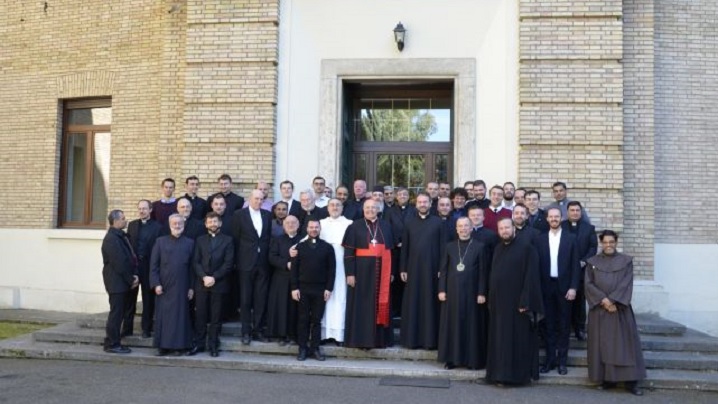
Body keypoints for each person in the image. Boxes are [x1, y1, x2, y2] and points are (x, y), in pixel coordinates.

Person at [585, 230, 646, 396]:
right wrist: (603, 300)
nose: (608, 245)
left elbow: (626, 283)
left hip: (620, 310)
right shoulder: (592, 262)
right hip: (600, 311)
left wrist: (613, 301)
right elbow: (588, 284)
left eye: (611, 242)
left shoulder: (625, 261)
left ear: (616, 242)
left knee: (625, 347)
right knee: (602, 346)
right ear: (601, 243)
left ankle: (631, 382)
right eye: (605, 242)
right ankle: (607, 380)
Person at [485, 218, 544, 386]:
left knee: (516, 341)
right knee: (500, 340)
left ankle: (516, 377)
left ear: (514, 229)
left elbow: (531, 277)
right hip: (499, 304)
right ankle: (499, 374)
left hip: (518, 305)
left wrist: (525, 301)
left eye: (507, 227)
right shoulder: (498, 248)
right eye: (501, 228)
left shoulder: (526, 248)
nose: (504, 231)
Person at [342, 199, 395, 348]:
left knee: (380, 304)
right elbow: (348, 253)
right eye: (367, 207)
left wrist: (391, 272)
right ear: (363, 209)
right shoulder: (354, 226)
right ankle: (361, 340)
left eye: (373, 207)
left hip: (381, 272)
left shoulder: (385, 225)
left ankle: (379, 340)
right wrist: (350, 273)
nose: (370, 210)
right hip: (361, 273)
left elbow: (391, 251)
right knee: (362, 305)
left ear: (378, 209)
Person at [437, 217, 488, 370]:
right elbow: (444, 269)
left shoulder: (480, 246)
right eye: (460, 226)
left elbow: (483, 272)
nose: (463, 228)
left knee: (471, 326)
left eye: (466, 226)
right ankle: (452, 359)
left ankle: (472, 360)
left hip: (472, 293)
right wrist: (441, 290)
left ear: (471, 228)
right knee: (453, 326)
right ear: (456, 229)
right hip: (452, 293)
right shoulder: (449, 246)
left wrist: (481, 292)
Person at [537, 207, 581, 375]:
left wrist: (573, 287)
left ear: (561, 218)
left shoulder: (571, 238)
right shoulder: (540, 239)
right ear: (547, 219)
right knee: (548, 326)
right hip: (546, 287)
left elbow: (575, 266)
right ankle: (550, 361)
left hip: (565, 288)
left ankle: (562, 362)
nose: (554, 219)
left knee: (563, 326)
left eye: (557, 216)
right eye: (551, 217)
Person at [400, 192, 445, 350]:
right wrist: (403, 268)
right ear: (416, 204)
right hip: (413, 269)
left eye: (425, 202)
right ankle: (411, 340)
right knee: (413, 303)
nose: (423, 204)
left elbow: (443, 248)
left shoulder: (438, 222)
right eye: (420, 202)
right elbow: (405, 247)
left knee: (430, 304)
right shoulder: (409, 222)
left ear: (431, 204)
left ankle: (429, 341)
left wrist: (441, 268)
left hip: (432, 271)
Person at [190, 212, 234, 357]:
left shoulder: (228, 240)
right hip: (202, 283)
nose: (213, 224)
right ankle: (199, 344)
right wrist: (204, 276)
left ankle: (214, 345)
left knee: (216, 317)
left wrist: (214, 277)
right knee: (200, 315)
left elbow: (228, 263)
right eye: (210, 222)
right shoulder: (200, 240)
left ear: (220, 223)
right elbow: (195, 262)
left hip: (219, 283)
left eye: (215, 221)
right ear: (206, 224)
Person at [150, 214, 195, 356]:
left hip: (182, 287)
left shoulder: (190, 243)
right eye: (174, 223)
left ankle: (178, 346)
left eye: (179, 223)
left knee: (180, 318)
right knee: (164, 317)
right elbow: (154, 266)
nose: (177, 226)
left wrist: (192, 287)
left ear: (184, 224)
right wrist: (156, 283)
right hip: (164, 287)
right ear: (169, 225)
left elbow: (193, 268)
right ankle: (163, 346)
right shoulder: (160, 242)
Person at [291, 219, 336, 361]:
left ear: (320, 229)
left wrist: (329, 288)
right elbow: (294, 269)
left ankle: (315, 348)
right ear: (307, 229)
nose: (314, 229)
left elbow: (332, 270)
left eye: (316, 227)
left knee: (317, 320)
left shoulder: (327, 247)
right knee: (303, 320)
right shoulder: (300, 246)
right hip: (303, 289)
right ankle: (302, 348)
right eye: (311, 227)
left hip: (320, 289)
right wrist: (294, 288)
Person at [232, 189, 273, 345]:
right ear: (250, 199)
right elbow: (235, 239)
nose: (258, 201)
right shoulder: (239, 215)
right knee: (245, 299)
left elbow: (267, 238)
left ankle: (258, 330)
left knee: (261, 299)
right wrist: (236, 262)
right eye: (256, 199)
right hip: (245, 263)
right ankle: (245, 332)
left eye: (261, 199)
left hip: (262, 264)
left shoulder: (267, 215)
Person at [101, 210, 139, 354]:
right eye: (123, 219)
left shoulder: (120, 236)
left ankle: (111, 341)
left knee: (119, 313)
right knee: (116, 314)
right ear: (115, 221)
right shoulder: (112, 239)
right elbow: (120, 263)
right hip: (116, 283)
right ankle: (113, 344)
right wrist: (130, 279)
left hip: (122, 282)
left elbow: (128, 258)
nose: (125, 221)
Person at [562, 201, 597, 341]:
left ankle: (580, 328)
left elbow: (593, 247)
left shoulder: (589, 228)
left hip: (582, 270)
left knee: (580, 300)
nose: (575, 212)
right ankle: (564, 327)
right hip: (564, 271)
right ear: (567, 212)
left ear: (581, 212)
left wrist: (583, 261)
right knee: (564, 299)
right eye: (572, 210)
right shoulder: (561, 226)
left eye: (577, 210)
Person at [126, 200, 161, 339]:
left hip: (148, 266)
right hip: (134, 267)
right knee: (130, 299)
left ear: (150, 210)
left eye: (144, 208)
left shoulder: (158, 227)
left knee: (148, 300)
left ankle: (146, 329)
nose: (142, 211)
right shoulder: (132, 225)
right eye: (140, 208)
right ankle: (127, 328)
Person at [319, 199, 353, 345]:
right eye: (332, 205)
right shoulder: (321, 223)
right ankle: (324, 334)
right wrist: (293, 248)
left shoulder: (349, 224)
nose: (335, 207)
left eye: (338, 205)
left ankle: (339, 334)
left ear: (342, 208)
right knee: (325, 298)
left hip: (342, 265)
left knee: (340, 297)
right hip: (323, 265)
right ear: (327, 208)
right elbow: (307, 239)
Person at [267, 215, 302, 345]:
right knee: (281, 307)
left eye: (294, 222)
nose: (291, 225)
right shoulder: (277, 240)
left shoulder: (303, 240)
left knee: (295, 308)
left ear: (298, 225)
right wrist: (286, 264)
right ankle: (281, 335)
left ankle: (293, 335)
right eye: (288, 223)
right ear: (283, 225)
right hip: (281, 277)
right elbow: (271, 257)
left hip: (298, 279)